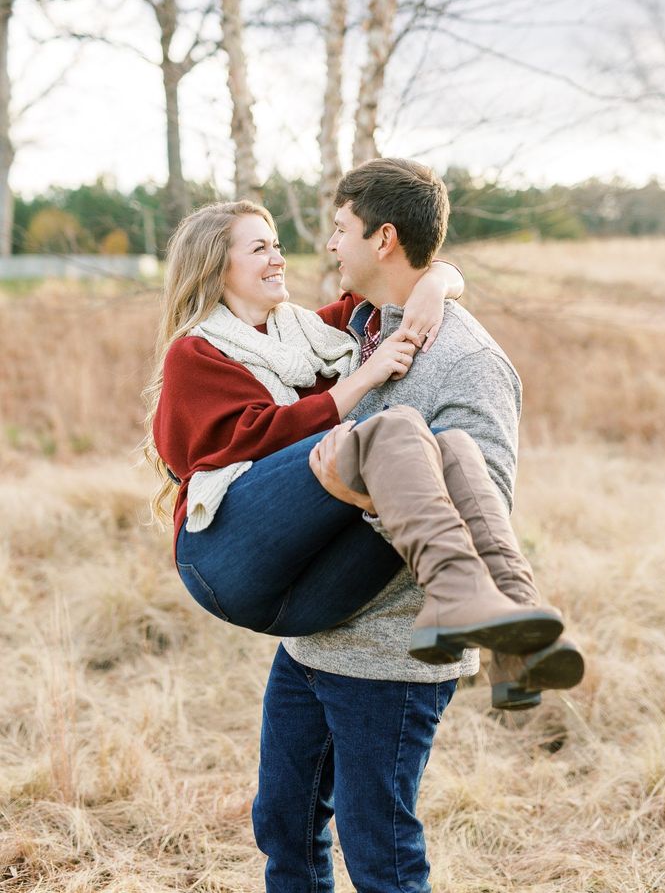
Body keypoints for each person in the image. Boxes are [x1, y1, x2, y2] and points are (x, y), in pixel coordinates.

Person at [252, 158, 584, 893]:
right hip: (315, 634)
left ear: (384, 238)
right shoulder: (360, 330)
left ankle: (520, 654)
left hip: (396, 653)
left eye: (340, 228)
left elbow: (484, 501)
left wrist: (351, 491)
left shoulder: (467, 360)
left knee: (380, 854)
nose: (329, 245)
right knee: (283, 824)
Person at [145, 198, 563, 668]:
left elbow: (393, 283)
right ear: (216, 267)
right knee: (396, 427)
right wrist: (363, 378)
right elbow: (250, 439)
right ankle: (462, 599)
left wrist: (436, 284)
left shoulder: (309, 332)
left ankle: (519, 635)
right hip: (225, 560)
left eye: (277, 245)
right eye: (260, 248)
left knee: (448, 444)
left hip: (309, 590)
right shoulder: (195, 353)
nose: (279, 258)